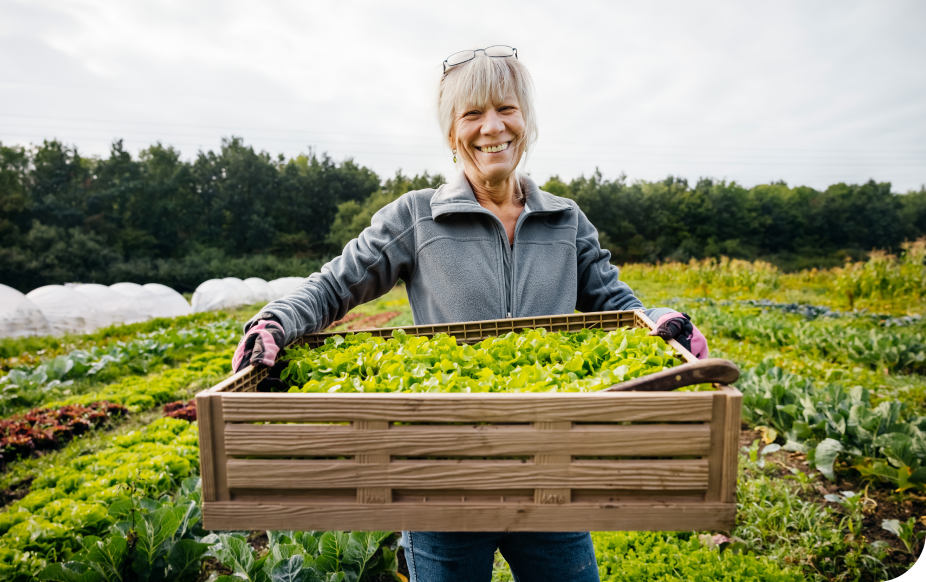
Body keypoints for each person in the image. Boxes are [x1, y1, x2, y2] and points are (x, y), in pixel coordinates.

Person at [233, 45, 708, 582]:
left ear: (525, 119)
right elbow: (331, 286)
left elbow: (618, 306)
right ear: (451, 130)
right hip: (442, 477)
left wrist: (661, 322)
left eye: (506, 108)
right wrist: (273, 323)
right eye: (472, 114)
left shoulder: (565, 220)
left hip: (550, 473)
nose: (492, 128)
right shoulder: (417, 216)